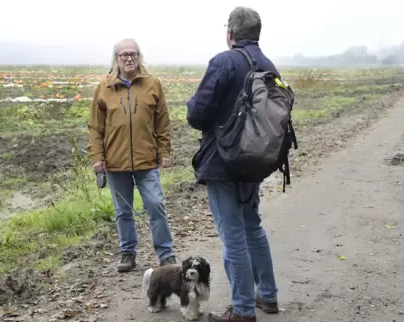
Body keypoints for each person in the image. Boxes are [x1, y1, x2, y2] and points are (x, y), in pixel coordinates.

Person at [186, 7, 279, 322]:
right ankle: (267, 295)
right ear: (257, 33)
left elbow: (197, 114)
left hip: (223, 162)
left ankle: (241, 310)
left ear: (230, 34)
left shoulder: (223, 62)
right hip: (255, 161)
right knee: (252, 227)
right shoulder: (269, 66)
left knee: (233, 236)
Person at [87, 38, 177, 273]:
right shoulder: (104, 86)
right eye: (123, 55)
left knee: (156, 205)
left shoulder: (153, 84)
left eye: (133, 54)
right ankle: (128, 253)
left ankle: (166, 255)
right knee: (123, 211)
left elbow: (163, 122)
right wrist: (98, 157)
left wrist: (164, 151)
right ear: (116, 59)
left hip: (147, 161)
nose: (129, 58)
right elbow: (95, 127)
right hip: (115, 162)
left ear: (139, 57)